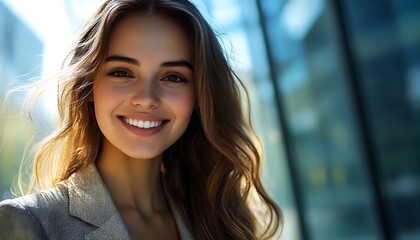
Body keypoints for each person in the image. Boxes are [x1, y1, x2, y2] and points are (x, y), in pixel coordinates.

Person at [0, 0, 283, 239]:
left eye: (173, 77)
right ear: (88, 86)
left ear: (199, 97)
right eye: (122, 72)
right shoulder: (28, 223)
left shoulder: (218, 218)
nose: (146, 98)